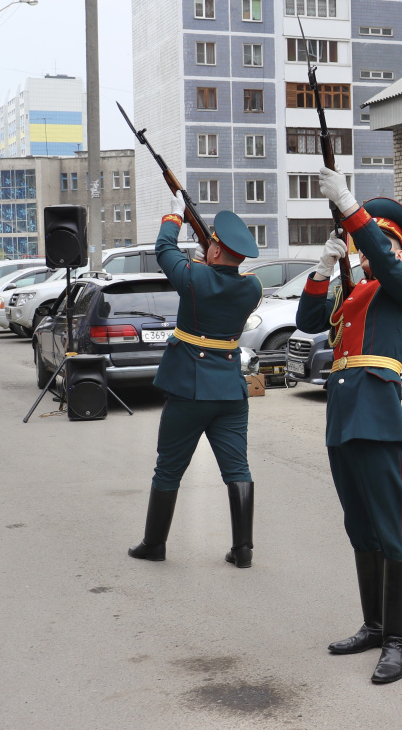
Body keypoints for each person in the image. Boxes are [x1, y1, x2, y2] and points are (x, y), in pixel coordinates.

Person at [296, 167, 402, 685]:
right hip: (342, 414)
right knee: (360, 526)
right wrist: (325, 263)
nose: (374, 247)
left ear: (396, 249)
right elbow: (308, 321)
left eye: (384, 241)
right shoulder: (355, 294)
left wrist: (352, 206)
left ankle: (398, 641)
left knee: (392, 529)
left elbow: (383, 256)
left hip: (376, 413)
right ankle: (374, 625)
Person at [128, 206, 264, 568]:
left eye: (210, 247)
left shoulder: (194, 278)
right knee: (238, 469)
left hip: (189, 389)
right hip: (230, 392)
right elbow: (220, 274)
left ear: (215, 251)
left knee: (168, 469)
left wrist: (174, 217)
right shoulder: (253, 287)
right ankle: (243, 550)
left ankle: (154, 544)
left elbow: (164, 250)